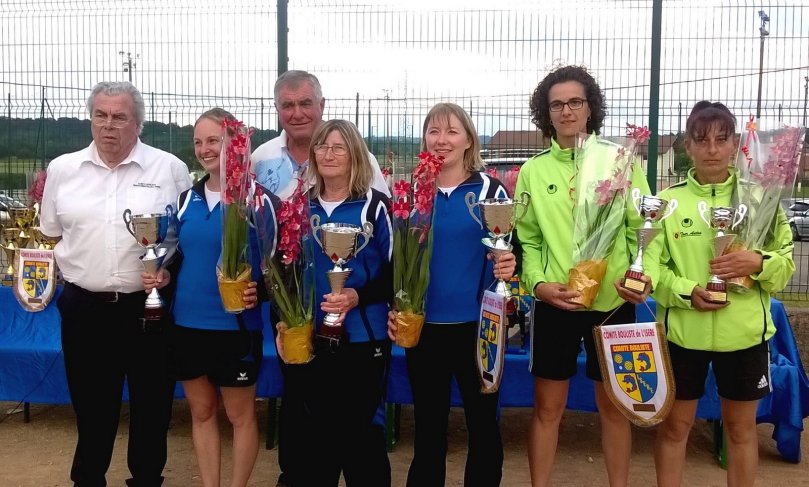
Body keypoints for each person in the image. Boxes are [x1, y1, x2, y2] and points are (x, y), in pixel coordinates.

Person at [39, 81, 192, 487]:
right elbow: (52, 231)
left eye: (120, 117)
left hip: (148, 306)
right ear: (91, 119)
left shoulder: (170, 169)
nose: (108, 125)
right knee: (91, 408)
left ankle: (147, 479)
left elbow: (184, 237)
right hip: (85, 309)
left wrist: (167, 271)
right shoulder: (63, 170)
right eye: (100, 115)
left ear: (138, 123)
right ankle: (88, 480)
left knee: (152, 407)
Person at [250, 70, 390, 487]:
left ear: (355, 154)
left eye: (338, 147)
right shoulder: (298, 208)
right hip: (308, 339)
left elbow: (396, 274)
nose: (329, 154)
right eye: (323, 147)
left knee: (362, 440)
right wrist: (282, 321)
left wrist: (357, 297)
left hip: (362, 339)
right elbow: (284, 272)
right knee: (314, 444)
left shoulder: (375, 207)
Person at [514, 65, 651, 487]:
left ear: (590, 107)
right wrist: (538, 285)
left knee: (615, 409)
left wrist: (637, 276)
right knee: (547, 409)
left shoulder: (619, 161)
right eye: (556, 104)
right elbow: (528, 239)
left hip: (612, 305)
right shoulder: (534, 171)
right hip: (555, 303)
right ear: (546, 113)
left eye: (575, 101)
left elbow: (643, 228)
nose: (567, 111)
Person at [647, 101, 794, 487]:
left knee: (741, 431)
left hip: (743, 335)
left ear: (734, 144)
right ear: (687, 146)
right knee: (675, 427)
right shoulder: (668, 202)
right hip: (684, 335)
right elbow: (651, 269)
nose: (712, 149)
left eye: (721, 139)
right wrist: (686, 292)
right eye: (701, 140)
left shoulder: (760, 198)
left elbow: (785, 264)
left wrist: (757, 263)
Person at [387, 102, 517, 487]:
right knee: (429, 428)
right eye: (434, 131)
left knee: (483, 423)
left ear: (468, 140)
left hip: (479, 328)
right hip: (424, 328)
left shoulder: (490, 189)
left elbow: (510, 248)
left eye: (451, 131)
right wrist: (396, 305)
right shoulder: (412, 192)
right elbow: (395, 260)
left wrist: (511, 262)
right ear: (424, 139)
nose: (441, 140)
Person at [142, 108, 264, 487]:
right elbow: (175, 255)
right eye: (198, 142)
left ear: (235, 144)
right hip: (187, 326)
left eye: (214, 140)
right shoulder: (185, 200)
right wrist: (162, 275)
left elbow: (281, 264)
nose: (205, 149)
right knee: (202, 412)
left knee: (240, 416)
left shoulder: (258, 200)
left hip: (236, 327)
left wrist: (261, 291)